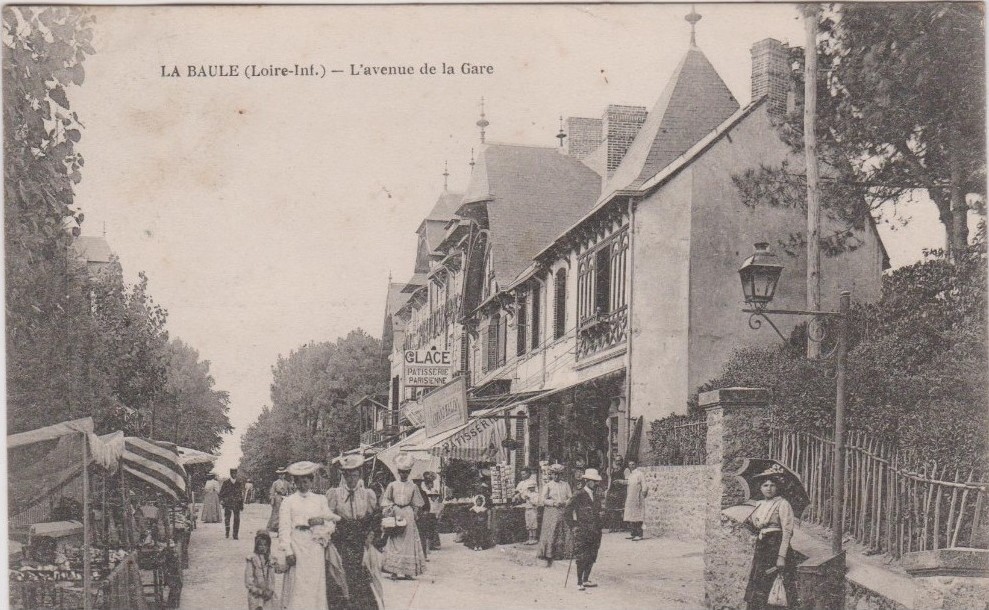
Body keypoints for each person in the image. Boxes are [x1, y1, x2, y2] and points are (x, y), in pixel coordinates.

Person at [277, 461, 340, 610]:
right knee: (297, 582)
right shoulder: (288, 502)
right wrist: (288, 550)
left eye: (306, 481)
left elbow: (333, 522)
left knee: (314, 582)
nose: (303, 484)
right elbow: (284, 527)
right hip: (297, 543)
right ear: (295, 482)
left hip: (314, 545)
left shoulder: (320, 500)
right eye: (299, 481)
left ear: (311, 481)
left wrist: (322, 521)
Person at [325, 454, 384, 610]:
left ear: (359, 474)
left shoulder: (367, 494)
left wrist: (371, 535)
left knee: (362, 577)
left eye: (354, 474)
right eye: (347, 474)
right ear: (342, 475)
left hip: (361, 540)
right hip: (341, 540)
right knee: (342, 575)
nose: (350, 478)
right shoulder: (335, 494)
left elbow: (375, 518)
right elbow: (328, 518)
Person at [744, 472, 798, 610]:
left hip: (776, 545)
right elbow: (757, 526)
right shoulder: (759, 504)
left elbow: (787, 532)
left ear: (777, 487)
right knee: (758, 582)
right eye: (765, 485)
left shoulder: (783, 503)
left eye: (772, 485)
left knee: (775, 582)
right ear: (760, 488)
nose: (769, 488)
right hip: (762, 546)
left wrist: (781, 556)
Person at [380, 453, 426, 580]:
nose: (404, 474)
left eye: (406, 472)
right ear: (398, 472)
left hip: (407, 513)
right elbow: (386, 500)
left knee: (408, 542)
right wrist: (389, 510)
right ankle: (393, 571)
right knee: (395, 540)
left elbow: (417, 503)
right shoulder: (392, 485)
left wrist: (415, 513)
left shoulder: (413, 486)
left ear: (409, 472)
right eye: (401, 472)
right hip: (395, 512)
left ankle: (407, 572)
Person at [567, 468, 605, 591]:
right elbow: (567, 510)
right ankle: (579, 582)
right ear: (587, 481)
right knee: (582, 555)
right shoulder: (579, 494)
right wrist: (573, 525)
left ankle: (586, 579)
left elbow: (599, 510)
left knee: (592, 555)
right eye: (593, 481)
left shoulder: (596, 494)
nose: (596, 484)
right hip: (583, 529)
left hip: (595, 530)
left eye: (596, 481)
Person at [537, 464, 572, 567]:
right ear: (551, 474)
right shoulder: (548, 485)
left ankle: (563, 553)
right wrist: (553, 503)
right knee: (552, 530)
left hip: (563, 510)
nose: (556, 477)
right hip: (551, 511)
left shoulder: (565, 485)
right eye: (554, 474)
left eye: (559, 475)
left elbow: (570, 497)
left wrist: (566, 502)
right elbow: (542, 499)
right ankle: (549, 553)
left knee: (563, 529)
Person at [245, 530, 279, 610]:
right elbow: (248, 580)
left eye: (265, 545)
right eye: (260, 545)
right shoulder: (252, 559)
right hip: (256, 596)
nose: (263, 547)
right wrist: (260, 592)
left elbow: (278, 569)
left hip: (269, 595)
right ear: (256, 545)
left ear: (269, 546)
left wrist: (289, 564)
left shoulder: (271, 559)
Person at [513, 468, 540, 545]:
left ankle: (533, 538)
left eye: (524, 474)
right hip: (525, 505)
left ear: (529, 474)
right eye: (522, 474)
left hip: (531, 505)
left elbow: (531, 495)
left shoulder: (532, 482)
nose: (522, 476)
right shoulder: (521, 483)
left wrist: (526, 496)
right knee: (528, 523)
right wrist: (517, 496)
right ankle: (529, 538)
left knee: (533, 522)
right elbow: (518, 492)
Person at [623, 459, 648, 541]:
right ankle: (633, 534)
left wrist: (643, 492)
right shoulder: (630, 475)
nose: (631, 466)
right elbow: (629, 483)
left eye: (633, 464)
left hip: (637, 497)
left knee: (638, 516)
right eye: (630, 464)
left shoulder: (640, 474)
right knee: (631, 516)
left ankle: (639, 535)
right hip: (631, 497)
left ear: (636, 465)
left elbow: (644, 484)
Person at [419, 471, 443, 551]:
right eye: (429, 482)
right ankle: (428, 545)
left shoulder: (434, 490)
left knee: (433, 527)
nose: (430, 484)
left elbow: (438, 501)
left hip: (433, 509)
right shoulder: (423, 489)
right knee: (427, 528)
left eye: (431, 482)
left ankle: (434, 544)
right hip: (427, 509)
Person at [220, 468, 247, 539]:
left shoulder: (239, 483)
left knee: (237, 519)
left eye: (235, 473)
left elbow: (241, 494)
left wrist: (241, 504)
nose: (234, 475)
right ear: (230, 474)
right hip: (228, 503)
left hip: (236, 503)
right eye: (233, 473)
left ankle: (235, 534)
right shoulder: (226, 483)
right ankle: (227, 532)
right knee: (227, 518)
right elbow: (221, 493)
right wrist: (223, 500)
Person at [605, 455, 628, 532]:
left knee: (620, 510)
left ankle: (621, 526)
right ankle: (612, 527)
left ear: (622, 461)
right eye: (616, 461)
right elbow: (610, 479)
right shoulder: (612, 470)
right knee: (612, 510)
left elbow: (628, 481)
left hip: (621, 491)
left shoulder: (626, 470)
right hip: (612, 491)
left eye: (619, 460)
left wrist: (620, 481)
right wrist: (608, 489)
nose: (618, 462)